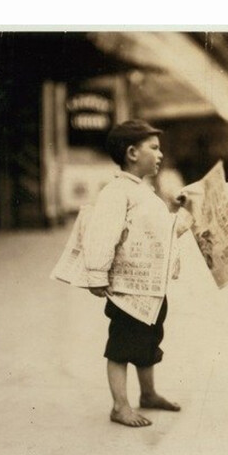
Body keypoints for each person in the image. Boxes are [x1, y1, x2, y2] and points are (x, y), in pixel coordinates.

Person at [82, 119, 191, 428]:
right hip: (128, 288)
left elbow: (158, 233)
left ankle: (149, 393)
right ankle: (120, 405)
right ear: (131, 152)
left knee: (149, 337)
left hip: (150, 287)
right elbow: (103, 233)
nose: (160, 155)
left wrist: (177, 212)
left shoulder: (144, 192)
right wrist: (96, 275)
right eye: (153, 148)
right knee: (122, 344)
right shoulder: (117, 192)